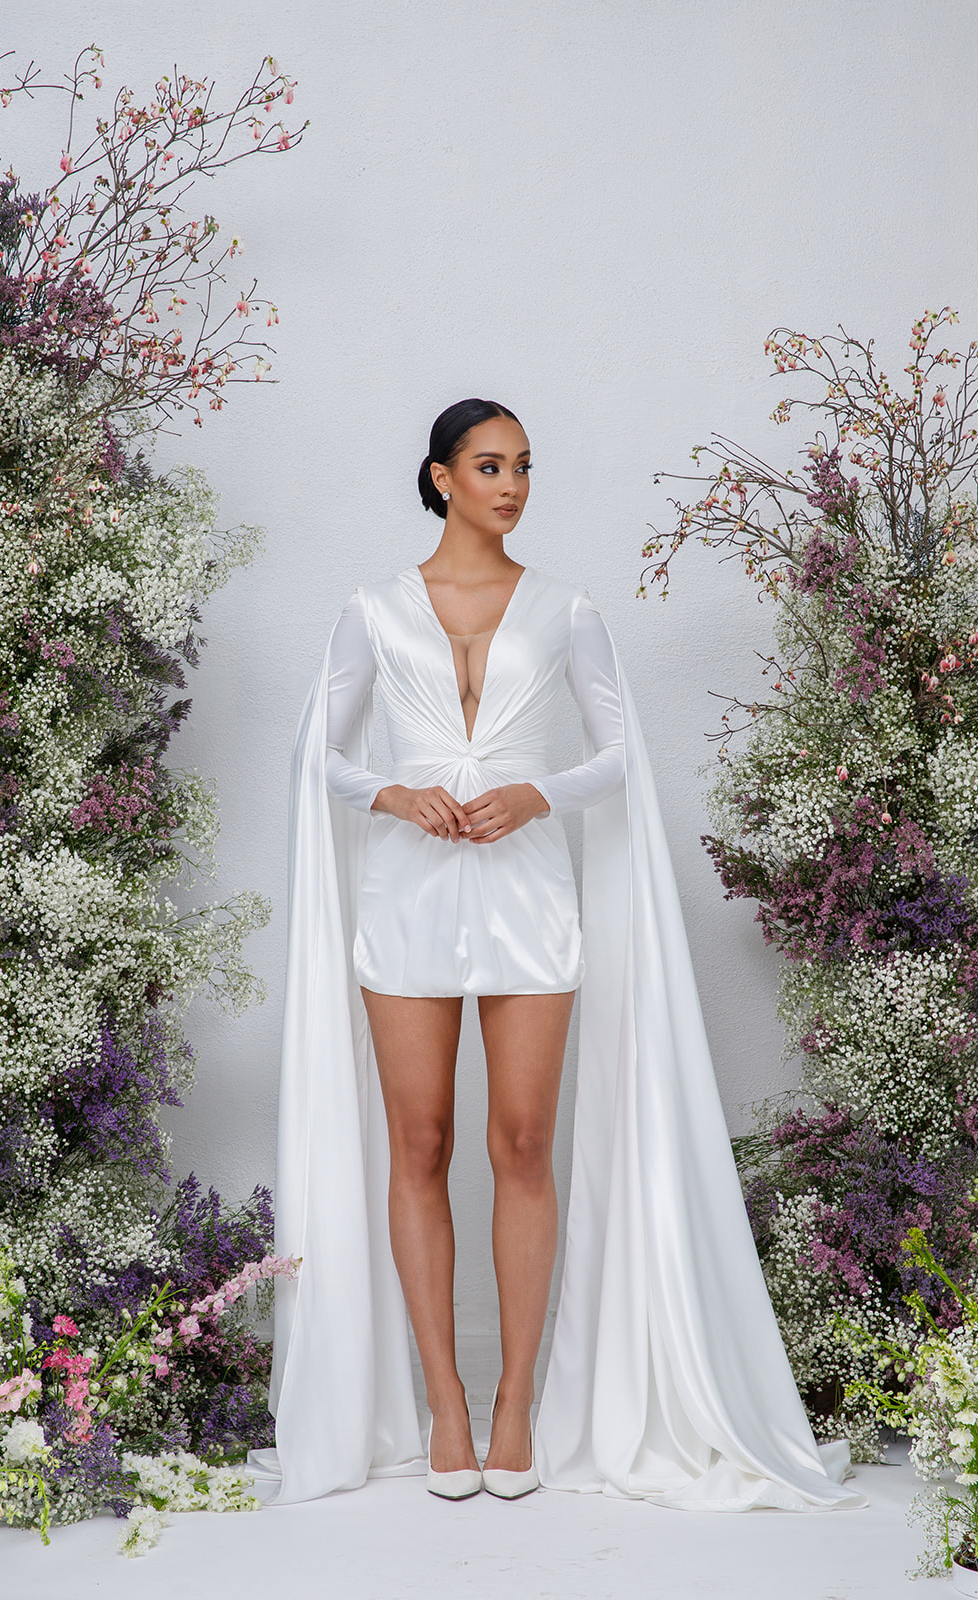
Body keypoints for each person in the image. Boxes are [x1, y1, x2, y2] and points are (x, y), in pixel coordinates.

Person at [250, 399, 867, 1514]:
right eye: (489, 466)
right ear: (439, 478)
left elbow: (619, 751)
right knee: (421, 1142)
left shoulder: (565, 608)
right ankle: (443, 1400)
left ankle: (515, 1403)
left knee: (523, 1139)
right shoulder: (371, 610)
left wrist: (540, 792)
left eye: (523, 467)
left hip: (529, 895)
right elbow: (319, 754)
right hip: (406, 896)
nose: (512, 486)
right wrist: (390, 792)